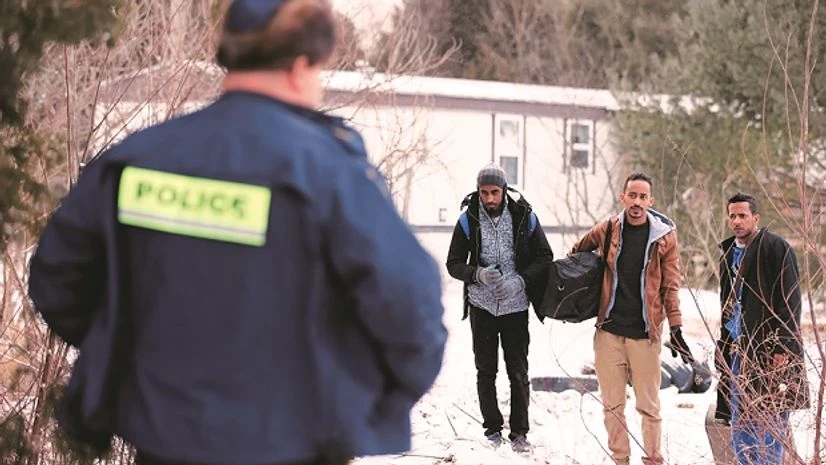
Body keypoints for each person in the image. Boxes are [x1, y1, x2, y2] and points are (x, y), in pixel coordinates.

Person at [27, 1, 447, 464]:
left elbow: (57, 278)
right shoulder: (328, 174)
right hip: (290, 442)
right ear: (302, 65)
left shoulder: (137, 157)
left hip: (160, 437)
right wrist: (357, 396)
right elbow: (411, 308)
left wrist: (133, 356)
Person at [569, 172, 692, 465]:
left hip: (644, 335)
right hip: (609, 333)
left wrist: (676, 328)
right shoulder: (609, 229)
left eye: (642, 197)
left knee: (649, 407)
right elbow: (577, 253)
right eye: (632, 196)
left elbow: (671, 286)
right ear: (622, 197)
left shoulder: (664, 238)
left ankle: (652, 460)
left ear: (651, 201)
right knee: (612, 407)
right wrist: (582, 295)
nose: (636, 202)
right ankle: (620, 460)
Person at [445, 163, 553, 453]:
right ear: (478, 192)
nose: (489, 199)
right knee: (486, 369)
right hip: (482, 306)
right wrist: (476, 274)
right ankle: (492, 428)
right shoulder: (468, 219)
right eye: (484, 193)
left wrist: (520, 280)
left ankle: (519, 432)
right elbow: (453, 263)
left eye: (494, 192)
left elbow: (545, 256)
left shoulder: (524, 217)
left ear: (504, 191)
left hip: (515, 306)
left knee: (517, 370)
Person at [714, 192, 810, 464]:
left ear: (756, 218)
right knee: (740, 425)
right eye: (732, 215)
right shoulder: (728, 252)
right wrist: (723, 351)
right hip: (737, 352)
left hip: (768, 353)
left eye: (743, 215)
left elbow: (790, 303)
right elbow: (727, 307)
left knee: (769, 426)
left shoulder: (774, 248)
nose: (736, 221)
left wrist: (781, 350)